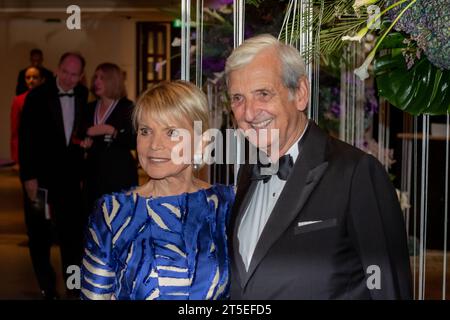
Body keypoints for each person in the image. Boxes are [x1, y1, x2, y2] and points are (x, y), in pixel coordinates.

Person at [225, 34, 412, 299]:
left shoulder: (356, 173)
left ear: (300, 93)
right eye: (238, 98)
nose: (249, 113)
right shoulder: (247, 174)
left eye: (263, 94)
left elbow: (389, 289)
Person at [80, 81, 235, 300]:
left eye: (171, 132)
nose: (154, 145)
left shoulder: (228, 205)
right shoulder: (113, 212)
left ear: (202, 142)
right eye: (145, 131)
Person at [19, 52, 88, 299]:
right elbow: (25, 139)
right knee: (39, 235)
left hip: (69, 180)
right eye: (65, 72)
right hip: (38, 179)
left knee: (71, 236)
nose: (69, 79)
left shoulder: (82, 94)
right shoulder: (37, 97)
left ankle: (73, 286)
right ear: (57, 69)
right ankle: (48, 287)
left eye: (75, 74)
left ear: (81, 76)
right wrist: (28, 177)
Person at [81, 63, 138, 215]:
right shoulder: (89, 107)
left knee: (119, 218)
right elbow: (81, 134)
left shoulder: (127, 107)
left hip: (119, 174)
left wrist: (111, 131)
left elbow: (134, 141)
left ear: (113, 81)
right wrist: (85, 143)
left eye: (102, 78)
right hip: (93, 173)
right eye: (96, 77)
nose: (96, 82)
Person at [10, 66, 45, 168]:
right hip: (27, 151)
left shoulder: (49, 99)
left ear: (42, 80)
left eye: (35, 77)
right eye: (28, 77)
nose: (31, 80)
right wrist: (17, 159)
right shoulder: (18, 100)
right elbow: (15, 132)